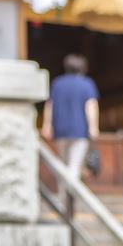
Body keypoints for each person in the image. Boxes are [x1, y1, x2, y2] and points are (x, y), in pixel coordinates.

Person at [41, 53, 100, 203]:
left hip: (60, 129)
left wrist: (46, 125)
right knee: (74, 166)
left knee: (63, 163)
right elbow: (90, 105)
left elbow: (50, 105)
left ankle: (63, 195)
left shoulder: (58, 83)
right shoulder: (87, 84)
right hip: (79, 130)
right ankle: (69, 195)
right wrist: (93, 127)